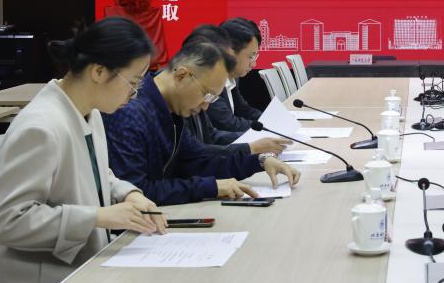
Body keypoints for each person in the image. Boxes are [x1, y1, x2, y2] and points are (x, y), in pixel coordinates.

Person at [0, 18, 167, 283]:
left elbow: (95, 173)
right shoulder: (40, 127)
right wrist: (98, 217)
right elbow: (9, 221)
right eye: (133, 81)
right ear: (98, 72)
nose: (135, 93)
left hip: (77, 274)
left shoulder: (88, 112)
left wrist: (129, 195)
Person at [104, 39, 300, 206]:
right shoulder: (129, 112)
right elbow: (136, 190)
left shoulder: (170, 109)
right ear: (182, 75)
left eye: (212, 99)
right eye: (206, 94)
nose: (205, 106)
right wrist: (210, 187)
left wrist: (259, 161)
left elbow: (198, 162)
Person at [206, 17, 264, 132]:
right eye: (251, 56)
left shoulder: (232, 75)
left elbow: (244, 110)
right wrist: (268, 129)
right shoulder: (208, 79)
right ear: (229, 53)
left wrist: (270, 120)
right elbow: (228, 124)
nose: (254, 64)